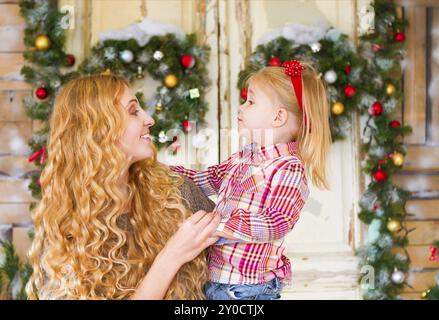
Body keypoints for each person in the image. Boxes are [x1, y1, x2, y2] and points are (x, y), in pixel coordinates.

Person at [26, 74, 220, 300]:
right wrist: (172, 256)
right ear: (98, 130)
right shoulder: (65, 229)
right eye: (133, 111)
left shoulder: (177, 191)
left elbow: (239, 258)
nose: (149, 119)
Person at [171, 60, 331, 300]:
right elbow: (208, 179)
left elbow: (276, 222)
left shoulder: (288, 168)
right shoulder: (245, 157)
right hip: (216, 280)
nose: (241, 108)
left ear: (278, 117)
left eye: (251, 102)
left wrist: (217, 225)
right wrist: (165, 174)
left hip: (247, 289)